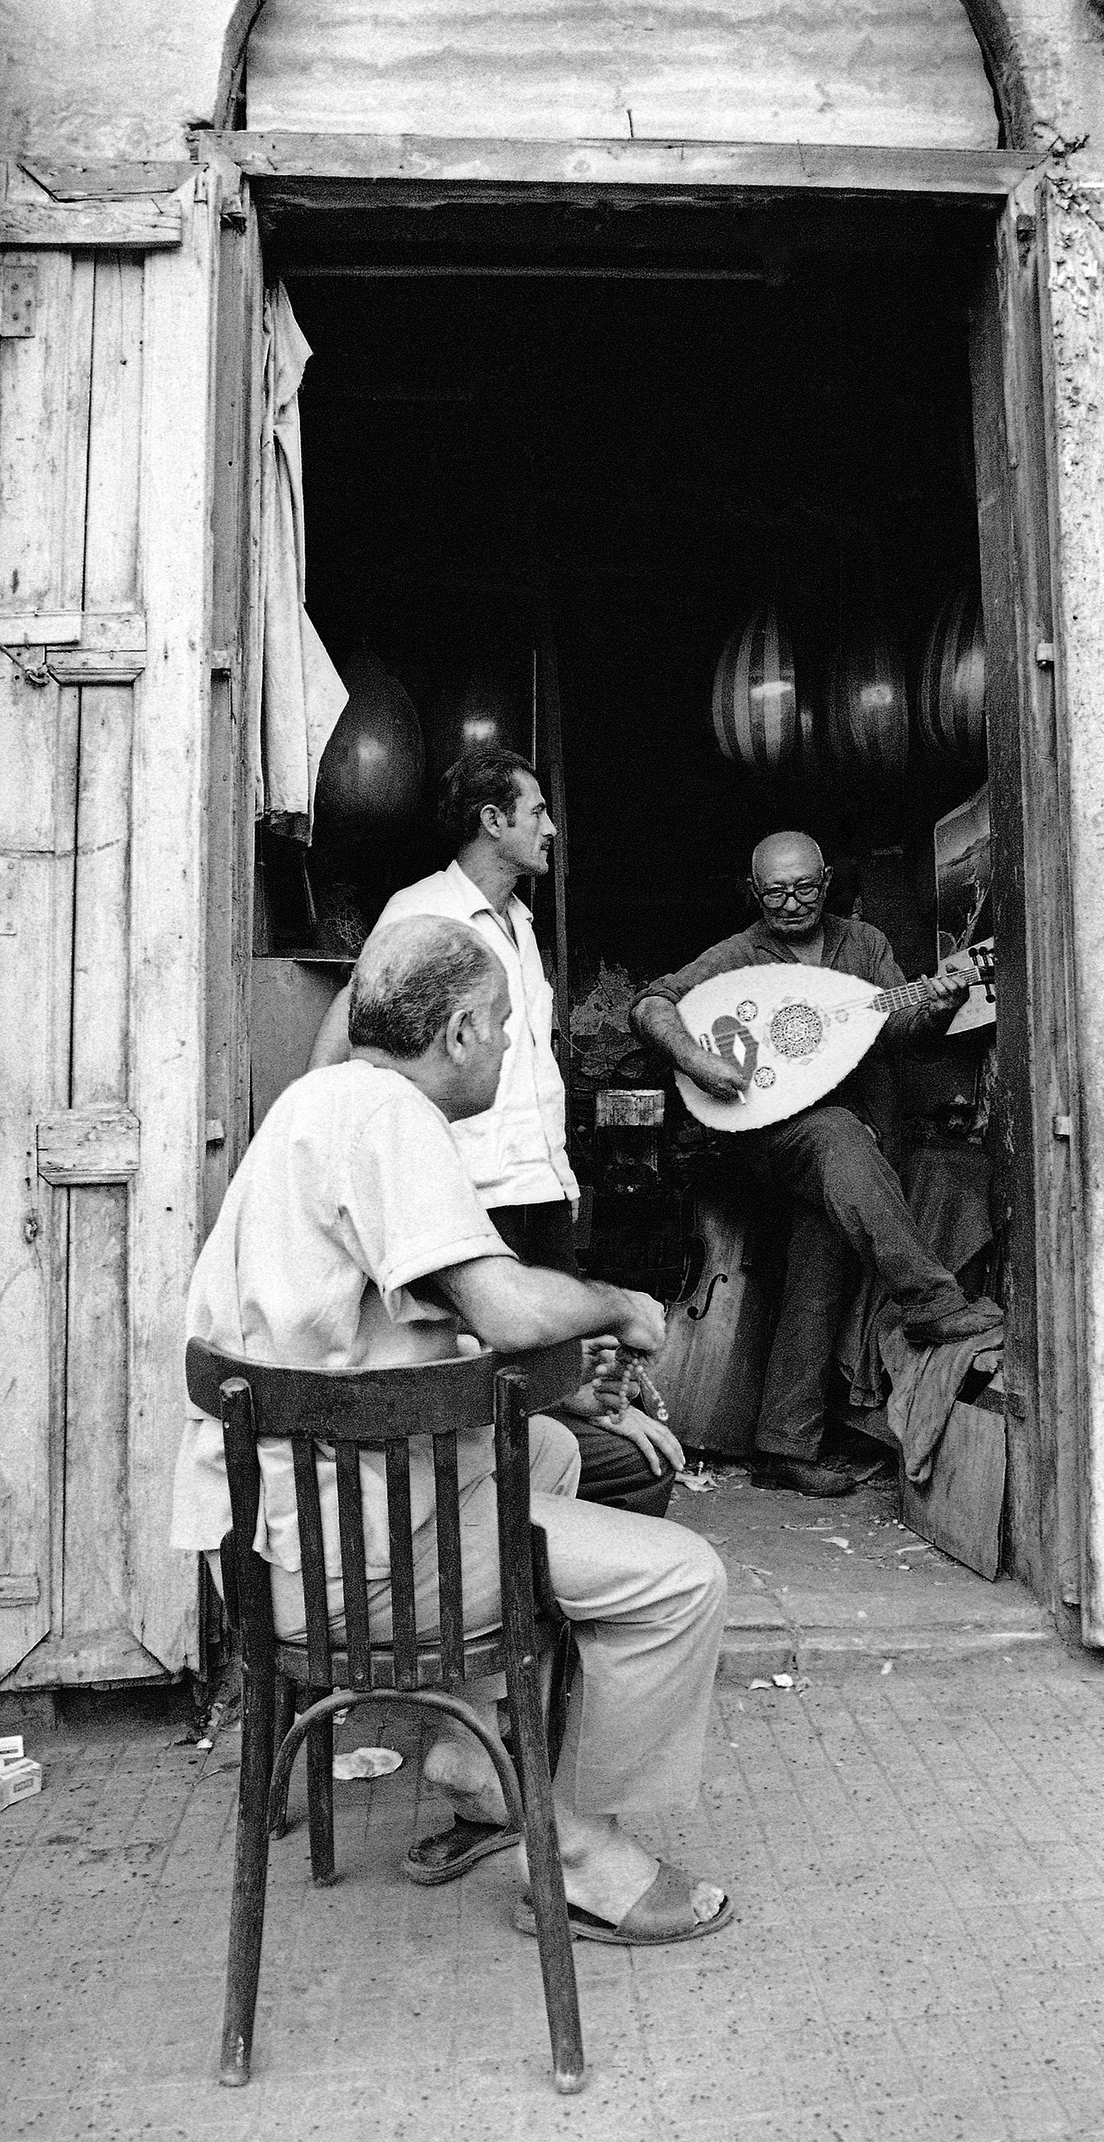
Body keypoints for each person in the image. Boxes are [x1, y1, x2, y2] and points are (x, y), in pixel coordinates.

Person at [173, 916, 731, 1944]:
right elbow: (508, 1310)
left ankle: (477, 1763)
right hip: (344, 1569)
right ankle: (578, 1852)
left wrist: (557, 1378)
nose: (516, 1046)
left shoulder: (315, 1104)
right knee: (682, 1578)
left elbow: (423, 1318)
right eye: (510, 1027)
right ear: (465, 1030)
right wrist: (619, 1304)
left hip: (262, 1543)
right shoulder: (391, 1120)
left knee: (554, 1451)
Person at [311, 747, 682, 1518]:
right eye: (538, 811)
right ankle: (531, 1555)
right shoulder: (421, 910)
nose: (550, 827)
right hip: (470, 1194)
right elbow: (350, 1019)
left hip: (536, 1183)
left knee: (570, 1381)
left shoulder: (518, 921)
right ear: (493, 820)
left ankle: (565, 1531)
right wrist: (326, 1119)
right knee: (510, 1384)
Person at [631, 829, 999, 1500]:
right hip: (766, 1136)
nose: (792, 900)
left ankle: (783, 1442)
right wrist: (696, 1057)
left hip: (852, 1148)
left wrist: (936, 1004)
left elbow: (899, 1030)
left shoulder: (866, 946)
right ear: (755, 891)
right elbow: (653, 1002)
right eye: (775, 890)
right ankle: (930, 1299)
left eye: (805, 886)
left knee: (824, 1243)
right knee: (835, 1133)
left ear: (827, 880)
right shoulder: (740, 955)